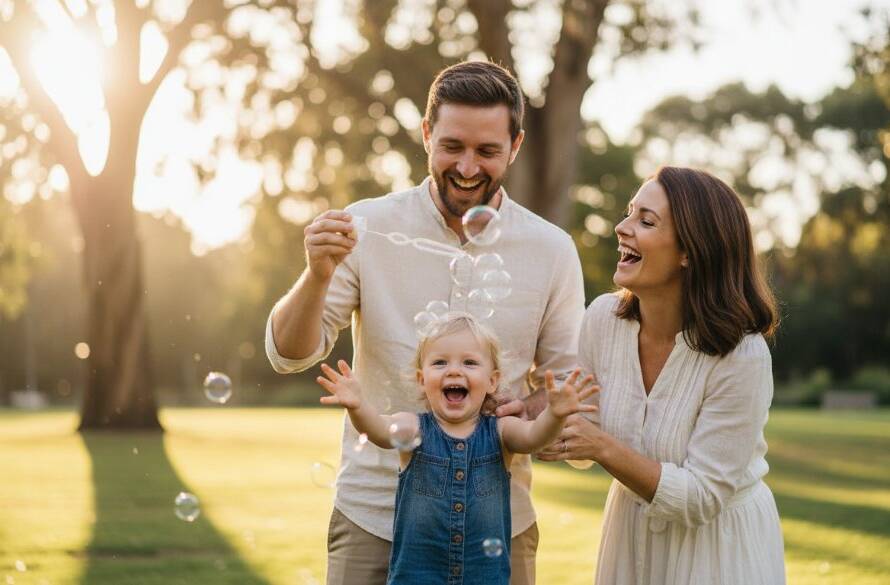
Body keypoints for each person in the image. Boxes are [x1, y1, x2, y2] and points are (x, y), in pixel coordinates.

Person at [265, 60, 585, 585]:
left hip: (498, 522)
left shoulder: (550, 250)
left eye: (487, 151)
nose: (466, 166)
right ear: (426, 134)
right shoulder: (367, 227)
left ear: (517, 145)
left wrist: (526, 407)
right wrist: (316, 274)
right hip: (374, 515)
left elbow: (563, 381)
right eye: (452, 146)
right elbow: (290, 353)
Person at [539, 166, 786, 584]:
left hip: (716, 548)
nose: (621, 228)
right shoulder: (602, 319)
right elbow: (581, 436)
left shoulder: (742, 354)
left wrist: (602, 447)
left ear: (690, 250)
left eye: (645, 221)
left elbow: (703, 497)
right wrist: (527, 416)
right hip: (630, 537)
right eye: (629, 213)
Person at [315, 313, 598, 584]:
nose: (454, 370)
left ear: (492, 381)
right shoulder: (413, 427)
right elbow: (377, 429)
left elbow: (535, 436)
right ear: (421, 379)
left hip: (485, 577)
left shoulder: (501, 430)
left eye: (470, 363)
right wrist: (358, 406)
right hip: (416, 577)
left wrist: (555, 414)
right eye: (439, 362)